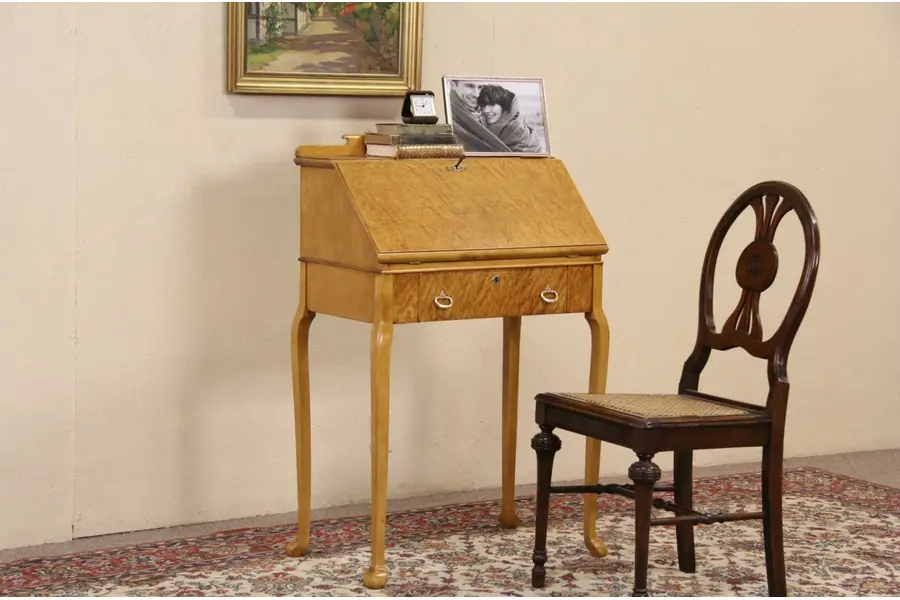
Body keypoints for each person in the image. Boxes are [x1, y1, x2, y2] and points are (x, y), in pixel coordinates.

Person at [475, 84, 544, 153]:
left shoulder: (516, 130)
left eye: (492, 105)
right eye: (483, 105)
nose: (486, 110)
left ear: (503, 107)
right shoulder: (482, 125)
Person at [447, 80, 510, 153]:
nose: (476, 94)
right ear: (453, 85)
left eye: (480, 87)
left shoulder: (481, 112)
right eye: (470, 86)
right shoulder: (449, 117)